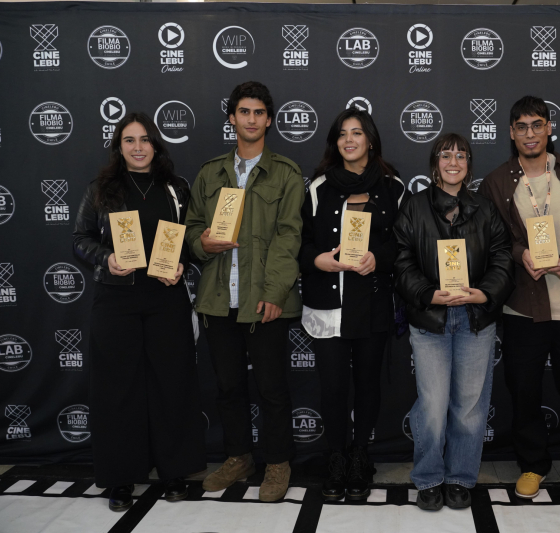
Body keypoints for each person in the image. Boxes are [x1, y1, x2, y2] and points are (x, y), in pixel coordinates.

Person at [72, 112, 205, 512]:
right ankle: (120, 477)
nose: (138, 147)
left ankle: (174, 471)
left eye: (145, 139)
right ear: (119, 146)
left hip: (166, 298)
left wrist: (182, 263)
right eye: (129, 140)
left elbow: (190, 240)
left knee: (172, 386)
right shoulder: (101, 189)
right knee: (117, 391)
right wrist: (107, 258)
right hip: (117, 301)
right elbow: (80, 239)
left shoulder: (176, 187)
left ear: (156, 144)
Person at [478, 96, 560, 503]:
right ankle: (532, 464)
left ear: (549, 128)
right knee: (524, 390)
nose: (530, 134)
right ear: (511, 132)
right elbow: (493, 241)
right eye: (521, 127)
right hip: (523, 305)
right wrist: (521, 255)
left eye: (537, 125)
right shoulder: (497, 182)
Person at [184, 81, 305, 502]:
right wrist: (202, 243)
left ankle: (277, 462)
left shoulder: (286, 173)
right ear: (231, 118)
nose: (251, 119)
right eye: (243, 112)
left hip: (266, 301)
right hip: (219, 300)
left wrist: (274, 292)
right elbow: (192, 227)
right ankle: (238, 457)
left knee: (272, 389)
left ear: (268, 120)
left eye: (259, 112)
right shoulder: (210, 172)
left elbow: (289, 237)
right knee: (228, 387)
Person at [393, 133, 514, 511]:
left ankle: (461, 477)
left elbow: (503, 258)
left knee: (470, 406)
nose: (453, 162)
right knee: (432, 406)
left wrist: (484, 294)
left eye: (461, 156)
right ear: (435, 164)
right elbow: (401, 260)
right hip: (430, 320)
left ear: (469, 166)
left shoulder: (485, 208)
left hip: (475, 319)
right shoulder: (414, 207)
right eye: (446, 155)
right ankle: (429, 477)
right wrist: (428, 294)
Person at [299, 108, 407, 501]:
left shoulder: (393, 188)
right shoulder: (318, 187)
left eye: (357, 132)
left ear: (370, 140)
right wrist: (318, 261)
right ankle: (335, 456)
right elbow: (300, 242)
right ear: (335, 142)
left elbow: (405, 243)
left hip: (372, 302)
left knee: (367, 384)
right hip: (327, 303)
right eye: (342, 133)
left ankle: (360, 455)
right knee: (332, 387)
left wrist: (379, 258)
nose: (349, 140)